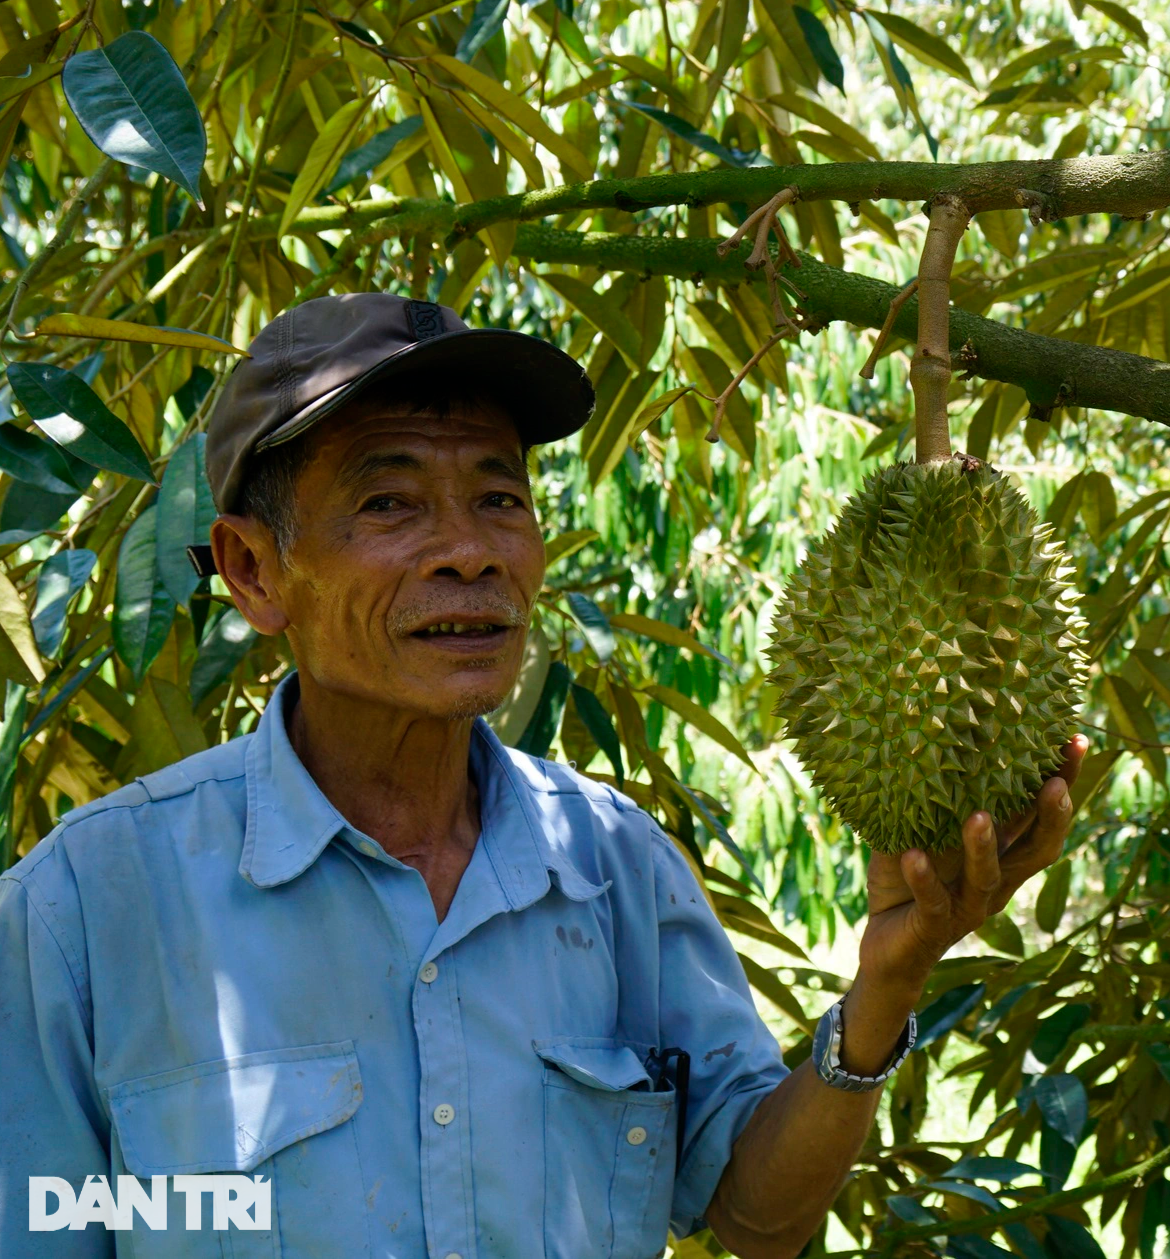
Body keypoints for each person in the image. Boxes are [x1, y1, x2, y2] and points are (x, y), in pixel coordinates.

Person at [0, 292, 1085, 1258]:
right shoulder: (81, 914)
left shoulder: (614, 867)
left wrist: (885, 985)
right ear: (251, 569)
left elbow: (755, 1218)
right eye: (389, 504)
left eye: (498, 498)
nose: (467, 551)